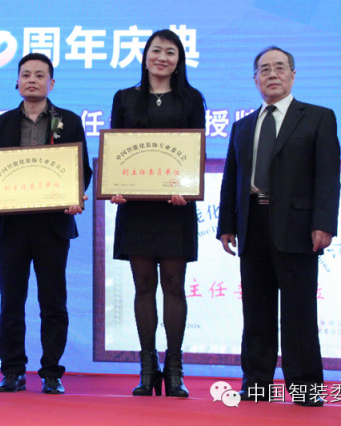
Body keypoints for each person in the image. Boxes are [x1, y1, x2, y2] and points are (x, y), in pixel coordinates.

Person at [217, 46, 340, 407]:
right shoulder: (242, 126)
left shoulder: (318, 117)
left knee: (299, 311)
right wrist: (227, 224)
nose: (272, 74)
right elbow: (232, 179)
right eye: (264, 69)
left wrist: (323, 223)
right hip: (252, 223)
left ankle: (305, 387)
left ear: (293, 75)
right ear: (255, 78)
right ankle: (257, 383)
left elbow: (327, 177)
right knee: (256, 310)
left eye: (280, 67)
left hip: (299, 227)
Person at [0, 53, 92, 394]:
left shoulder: (69, 121)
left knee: (53, 302)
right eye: (26, 74)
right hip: (12, 225)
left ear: (51, 83)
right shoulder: (1, 124)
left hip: (53, 225)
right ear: (17, 82)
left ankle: (52, 372)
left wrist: (75, 195)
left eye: (40, 75)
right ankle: (12, 371)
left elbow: (82, 169)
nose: (32, 80)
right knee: (11, 300)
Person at [109, 30, 205, 397]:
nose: (162, 57)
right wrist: (115, 185)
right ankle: (147, 368)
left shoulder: (191, 99)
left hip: (175, 208)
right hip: (136, 208)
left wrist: (187, 187)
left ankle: (175, 367)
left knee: (175, 286)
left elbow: (195, 150)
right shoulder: (125, 98)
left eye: (170, 52)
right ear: (145, 55)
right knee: (144, 285)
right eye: (156, 50)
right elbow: (117, 148)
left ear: (179, 60)